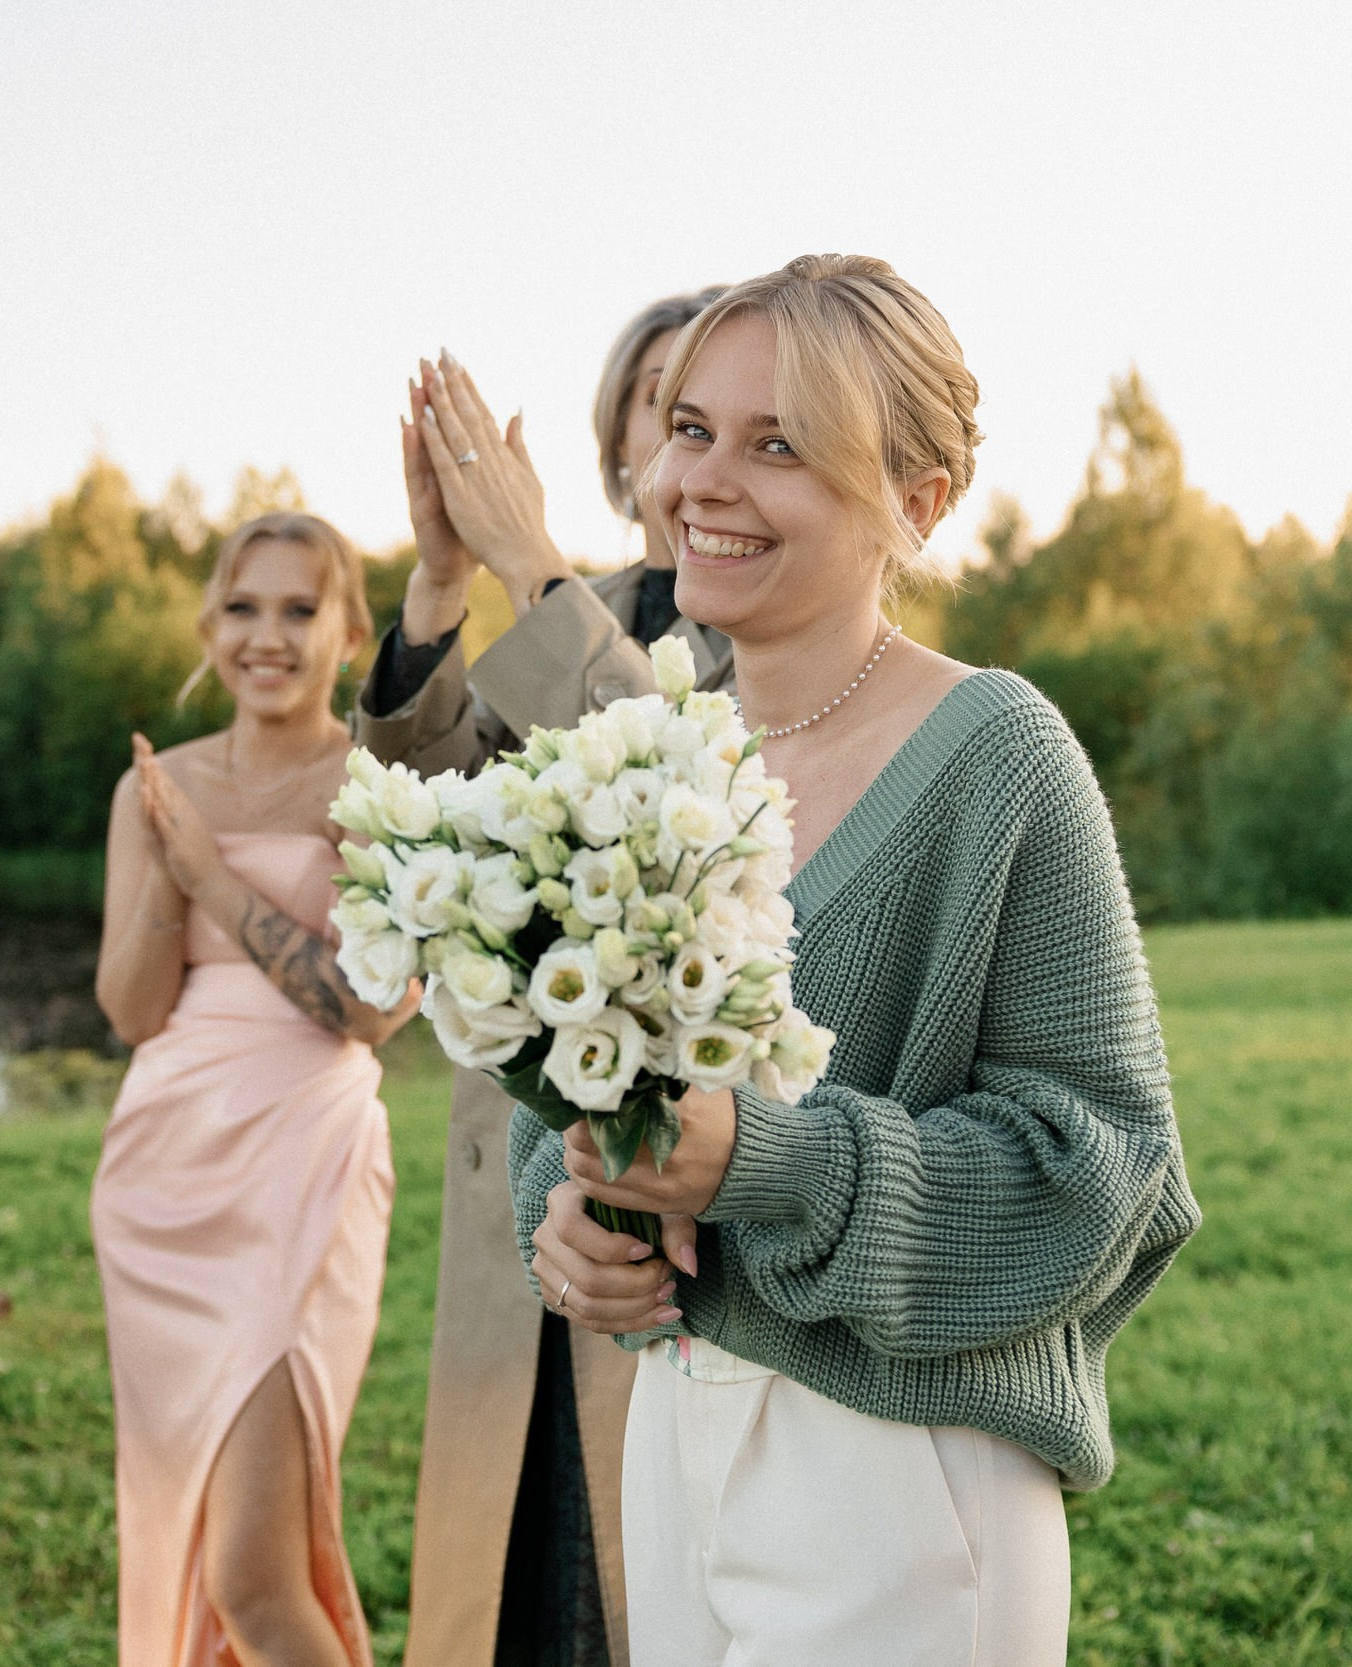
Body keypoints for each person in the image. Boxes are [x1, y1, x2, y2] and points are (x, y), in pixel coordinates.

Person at [512, 256, 1202, 1665]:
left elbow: (1108, 1172)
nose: (703, 480)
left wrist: (762, 1160)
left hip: (902, 1470)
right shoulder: (665, 746)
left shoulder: (998, 753)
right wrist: (566, 1215)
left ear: (918, 499)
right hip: (674, 1426)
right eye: (693, 427)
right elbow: (586, 1094)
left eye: (780, 446)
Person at [354, 288, 727, 1667]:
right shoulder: (550, 611)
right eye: (668, 407)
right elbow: (415, 814)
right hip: (526, 1138)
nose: (697, 446)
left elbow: (673, 785)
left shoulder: (752, 615)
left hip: (678, 1172)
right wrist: (446, 587)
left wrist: (530, 562)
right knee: (509, 1556)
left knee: (634, 1565)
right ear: (626, 445)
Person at [92, 511, 419, 1667]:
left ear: (346, 633)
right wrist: (165, 870)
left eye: (297, 608)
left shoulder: (380, 786)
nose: (265, 635)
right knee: (186, 1540)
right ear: (207, 625)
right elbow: (132, 1009)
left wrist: (214, 882)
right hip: (161, 1175)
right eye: (242, 606)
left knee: (252, 1574)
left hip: (302, 1158)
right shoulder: (157, 786)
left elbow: (370, 1009)